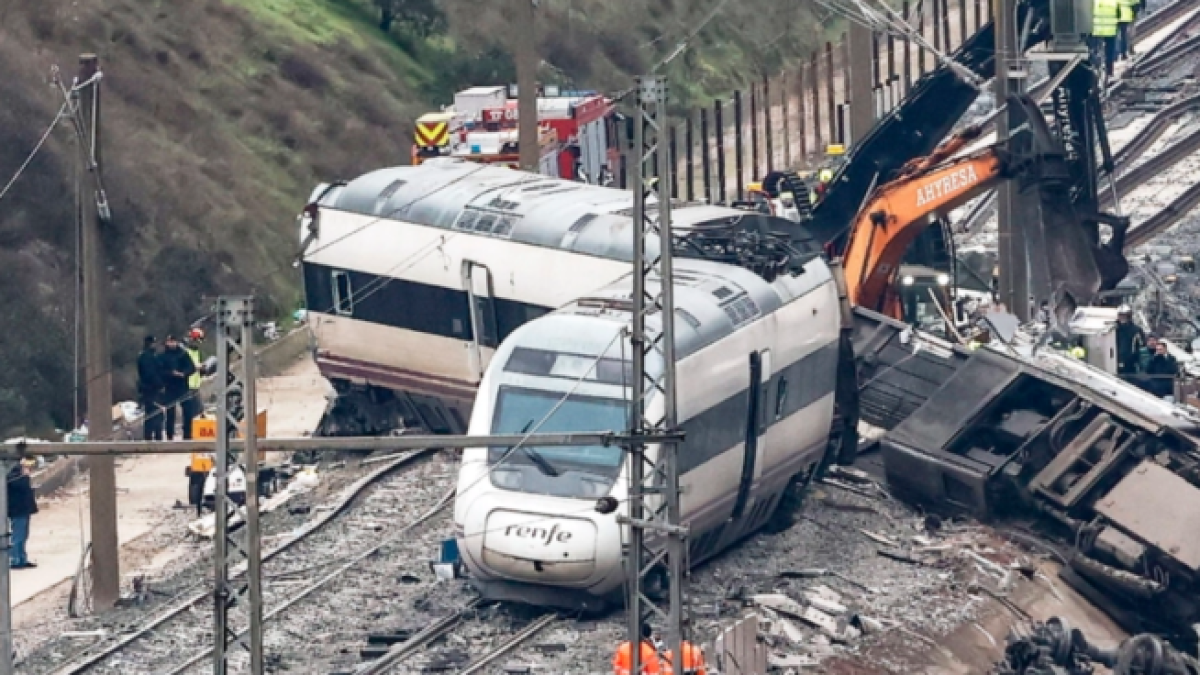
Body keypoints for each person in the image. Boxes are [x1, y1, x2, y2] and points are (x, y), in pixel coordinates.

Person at [157, 333, 196, 441]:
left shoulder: (183, 354)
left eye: (174, 341)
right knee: (170, 413)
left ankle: (187, 435)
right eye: (170, 341)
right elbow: (160, 372)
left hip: (183, 386)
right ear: (166, 343)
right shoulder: (162, 356)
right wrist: (171, 374)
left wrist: (183, 373)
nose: (172, 343)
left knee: (188, 411)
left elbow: (191, 367)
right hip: (170, 387)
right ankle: (170, 435)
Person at [7, 459, 39, 569]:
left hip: (24, 510)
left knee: (24, 535)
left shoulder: (21, 476)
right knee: (18, 536)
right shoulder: (15, 476)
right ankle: (16, 559)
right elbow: (19, 486)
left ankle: (22, 558)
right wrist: (24, 476)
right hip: (18, 510)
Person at [136, 335, 164, 441]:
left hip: (148, 389)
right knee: (154, 413)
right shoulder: (146, 357)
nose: (155, 345)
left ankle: (153, 436)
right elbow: (150, 374)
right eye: (153, 343)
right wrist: (160, 385)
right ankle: (153, 437)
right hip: (151, 390)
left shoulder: (148, 355)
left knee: (152, 413)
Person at [182, 328, 205, 440]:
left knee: (199, 410)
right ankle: (188, 435)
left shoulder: (198, 352)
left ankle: (196, 434)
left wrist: (203, 369)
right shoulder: (186, 352)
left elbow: (201, 369)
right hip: (188, 386)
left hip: (196, 385)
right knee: (189, 413)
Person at [1093, 0, 1120, 79]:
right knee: (1109, 52)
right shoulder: (1114, 2)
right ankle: (1109, 71)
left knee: (1095, 51)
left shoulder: (1096, 2)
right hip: (1110, 30)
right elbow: (1119, 15)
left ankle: (1096, 70)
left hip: (1098, 31)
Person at [1114, 306, 1144, 375]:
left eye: (1124, 315)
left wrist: (1136, 360)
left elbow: (1141, 346)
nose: (1122, 317)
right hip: (1114, 361)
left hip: (1131, 364)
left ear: (1129, 316)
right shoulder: (1113, 330)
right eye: (1120, 315)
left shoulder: (1136, 330)